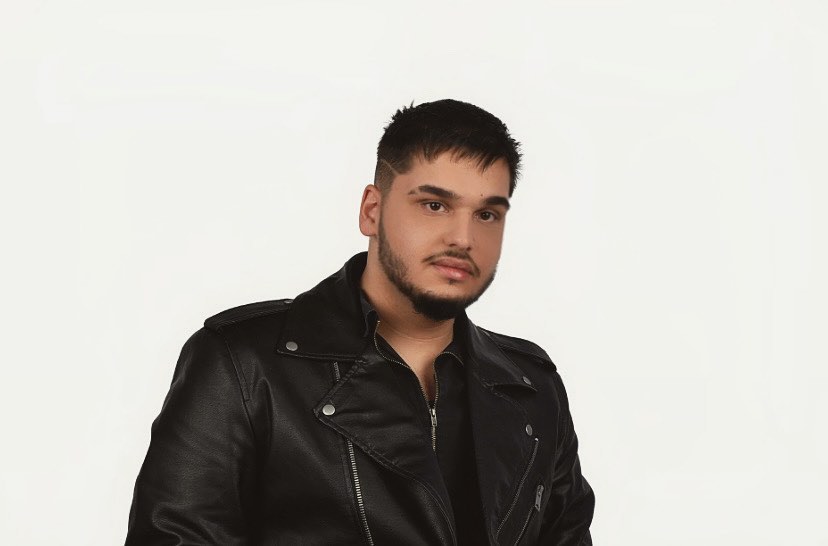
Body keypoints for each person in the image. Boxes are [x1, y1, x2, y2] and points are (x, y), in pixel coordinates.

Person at [126, 98, 595, 545]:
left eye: (487, 214)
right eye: (434, 205)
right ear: (373, 210)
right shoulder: (243, 363)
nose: (463, 237)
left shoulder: (531, 386)